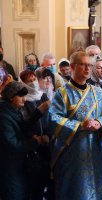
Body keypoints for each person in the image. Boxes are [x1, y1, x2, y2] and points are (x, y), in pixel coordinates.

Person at [48, 51, 102, 200]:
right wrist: (80, 126)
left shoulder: (99, 93)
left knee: (96, 189)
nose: (87, 69)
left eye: (90, 65)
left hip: (95, 152)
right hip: (71, 153)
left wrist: (100, 122)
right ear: (72, 66)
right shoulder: (62, 93)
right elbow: (53, 119)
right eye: (83, 65)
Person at [0, 81, 47, 200]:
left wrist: (38, 112)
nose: (24, 100)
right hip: (10, 167)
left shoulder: (12, 110)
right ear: (11, 97)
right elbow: (13, 145)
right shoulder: (3, 116)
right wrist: (36, 142)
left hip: (18, 165)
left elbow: (22, 127)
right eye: (21, 96)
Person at [19, 69, 51, 200]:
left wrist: (49, 135)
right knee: (33, 186)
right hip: (32, 147)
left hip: (46, 145)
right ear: (23, 84)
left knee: (46, 180)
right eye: (29, 81)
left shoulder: (43, 96)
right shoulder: (22, 100)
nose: (33, 83)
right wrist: (35, 137)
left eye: (34, 80)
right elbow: (24, 123)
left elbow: (50, 118)